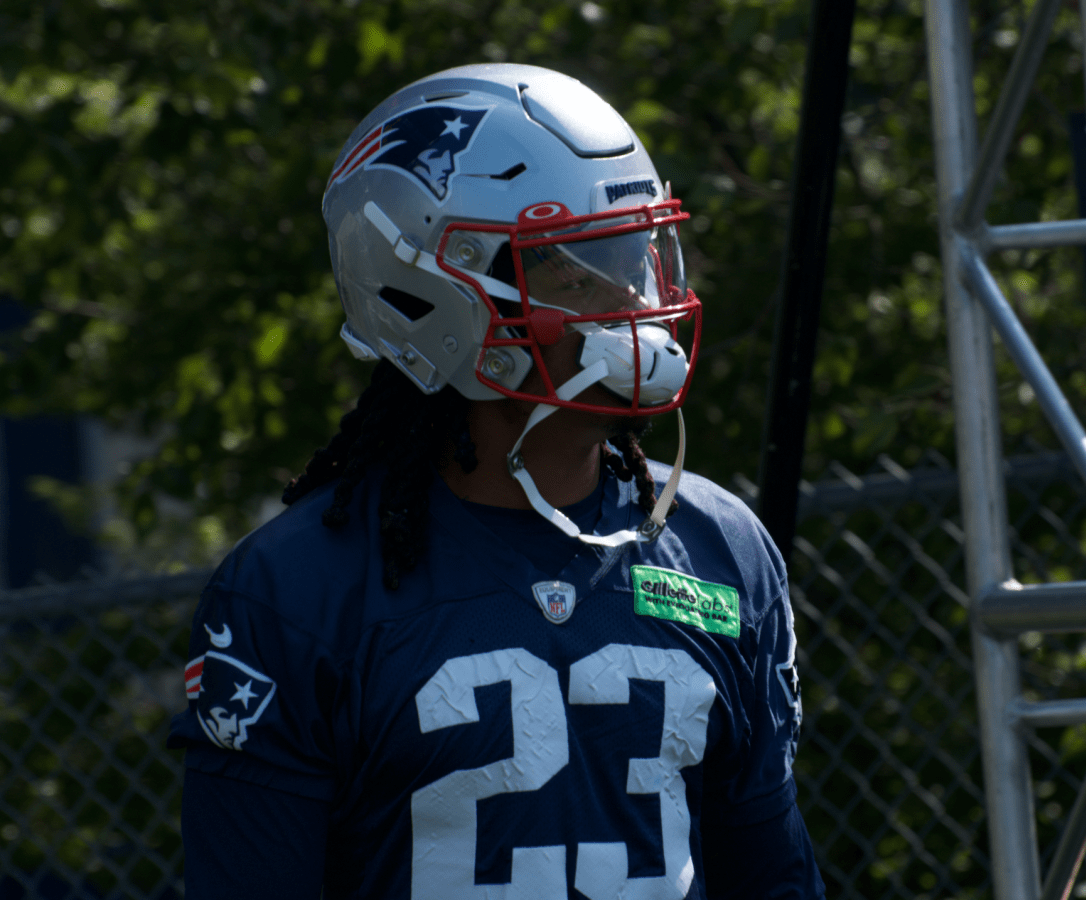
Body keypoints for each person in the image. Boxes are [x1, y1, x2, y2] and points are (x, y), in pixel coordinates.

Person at [168, 63, 826, 900]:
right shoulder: (297, 592)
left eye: (638, 252)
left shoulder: (720, 548)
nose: (636, 298)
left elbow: (771, 880)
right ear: (428, 293)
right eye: (574, 267)